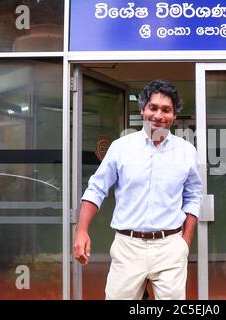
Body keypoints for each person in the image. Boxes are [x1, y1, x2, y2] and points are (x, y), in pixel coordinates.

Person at [73, 79, 202, 300]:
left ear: (174, 115)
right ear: (142, 110)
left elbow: (193, 196)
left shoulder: (186, 151)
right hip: (128, 247)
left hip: (170, 247)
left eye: (166, 110)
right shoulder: (121, 148)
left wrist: (185, 243)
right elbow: (96, 189)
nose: (158, 115)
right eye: (153, 108)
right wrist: (81, 230)